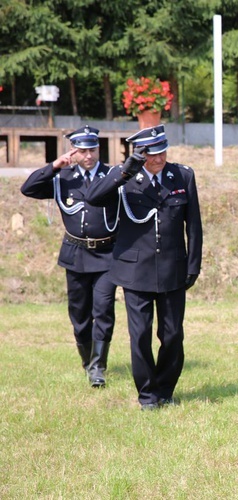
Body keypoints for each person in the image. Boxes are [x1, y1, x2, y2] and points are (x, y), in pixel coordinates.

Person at [86, 125, 203, 411]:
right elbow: (93, 197)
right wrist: (125, 169)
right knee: (140, 336)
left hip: (173, 269)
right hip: (134, 271)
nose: (160, 158)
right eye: (153, 154)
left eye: (163, 151)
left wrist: (193, 265)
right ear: (140, 153)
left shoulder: (183, 175)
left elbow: (195, 225)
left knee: (173, 334)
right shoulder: (124, 178)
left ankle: (165, 389)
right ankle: (148, 396)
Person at [20, 126, 118, 388]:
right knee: (79, 313)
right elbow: (28, 188)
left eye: (93, 149)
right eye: (83, 150)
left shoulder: (112, 176)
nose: (88, 155)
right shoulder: (63, 177)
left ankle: (98, 367)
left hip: (107, 254)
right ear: (73, 151)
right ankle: (87, 361)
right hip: (75, 254)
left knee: (104, 309)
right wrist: (54, 165)